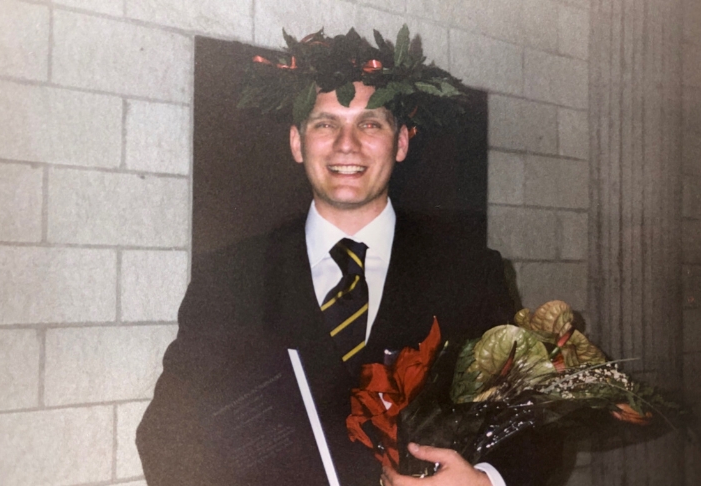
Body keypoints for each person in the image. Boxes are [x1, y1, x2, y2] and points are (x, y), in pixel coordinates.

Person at [137, 27, 559, 486]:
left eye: (370, 124)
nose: (346, 144)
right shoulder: (231, 277)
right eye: (325, 124)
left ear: (401, 142)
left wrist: (486, 481)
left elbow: (539, 424)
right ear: (297, 142)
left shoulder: (469, 272)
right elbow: (167, 434)